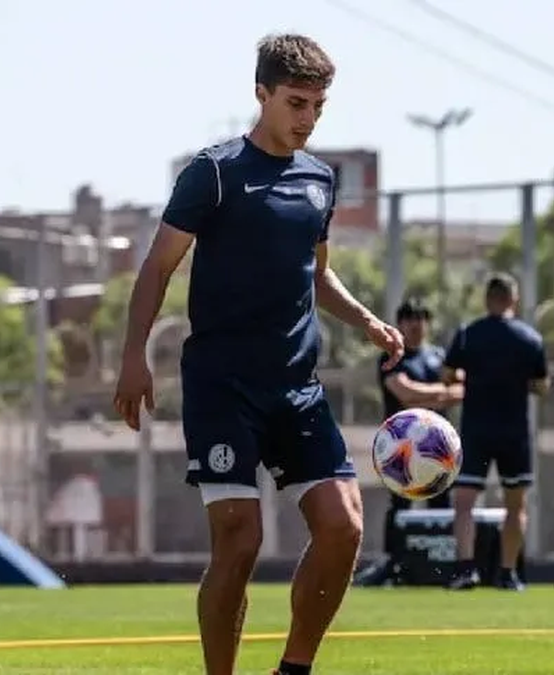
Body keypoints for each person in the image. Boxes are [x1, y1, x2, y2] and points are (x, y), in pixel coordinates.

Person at [112, 34, 403, 675]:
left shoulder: (318, 180)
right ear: (262, 94)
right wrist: (134, 353)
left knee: (344, 526)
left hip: (296, 387)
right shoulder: (214, 172)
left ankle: (293, 668)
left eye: (318, 107)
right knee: (241, 540)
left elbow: (317, 275)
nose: (307, 118)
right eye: (296, 102)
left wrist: (366, 320)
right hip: (223, 387)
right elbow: (158, 268)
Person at [441, 273, 549, 591]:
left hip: (476, 429)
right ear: (513, 299)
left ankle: (465, 570)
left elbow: (448, 376)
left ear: (487, 299)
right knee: (515, 504)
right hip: (514, 431)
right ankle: (507, 573)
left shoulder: (468, 334)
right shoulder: (530, 338)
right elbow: (542, 385)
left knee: (464, 502)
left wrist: (475, 379)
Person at [353, 298, 464, 587]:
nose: (416, 324)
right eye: (410, 319)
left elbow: (463, 386)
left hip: (439, 449)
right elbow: (405, 393)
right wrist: (442, 392)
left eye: (421, 318)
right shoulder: (393, 356)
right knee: (400, 501)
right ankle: (393, 563)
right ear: (400, 324)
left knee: (442, 501)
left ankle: (444, 563)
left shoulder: (439, 356)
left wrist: (439, 393)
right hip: (400, 448)